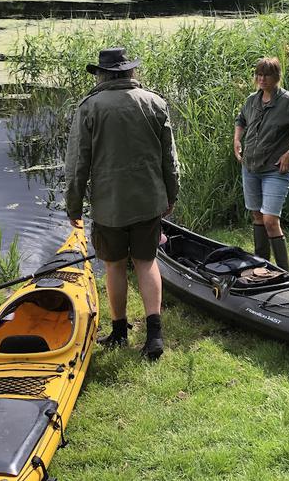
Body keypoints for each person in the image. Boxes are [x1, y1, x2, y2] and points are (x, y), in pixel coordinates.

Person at [64, 47, 179, 361]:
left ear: (102, 74)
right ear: (130, 71)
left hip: (109, 204)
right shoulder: (154, 102)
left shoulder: (89, 107)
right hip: (148, 199)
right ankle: (154, 336)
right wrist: (171, 195)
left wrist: (74, 207)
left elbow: (77, 166)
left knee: (114, 265)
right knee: (146, 261)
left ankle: (118, 331)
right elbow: (170, 160)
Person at [233, 57, 289, 272]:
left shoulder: (288, 102)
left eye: (266, 75)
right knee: (257, 216)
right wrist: (236, 140)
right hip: (250, 167)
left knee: (271, 220)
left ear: (276, 77)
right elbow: (241, 120)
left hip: (275, 170)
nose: (261, 79)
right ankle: (262, 266)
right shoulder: (253, 100)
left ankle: (284, 273)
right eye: (258, 75)